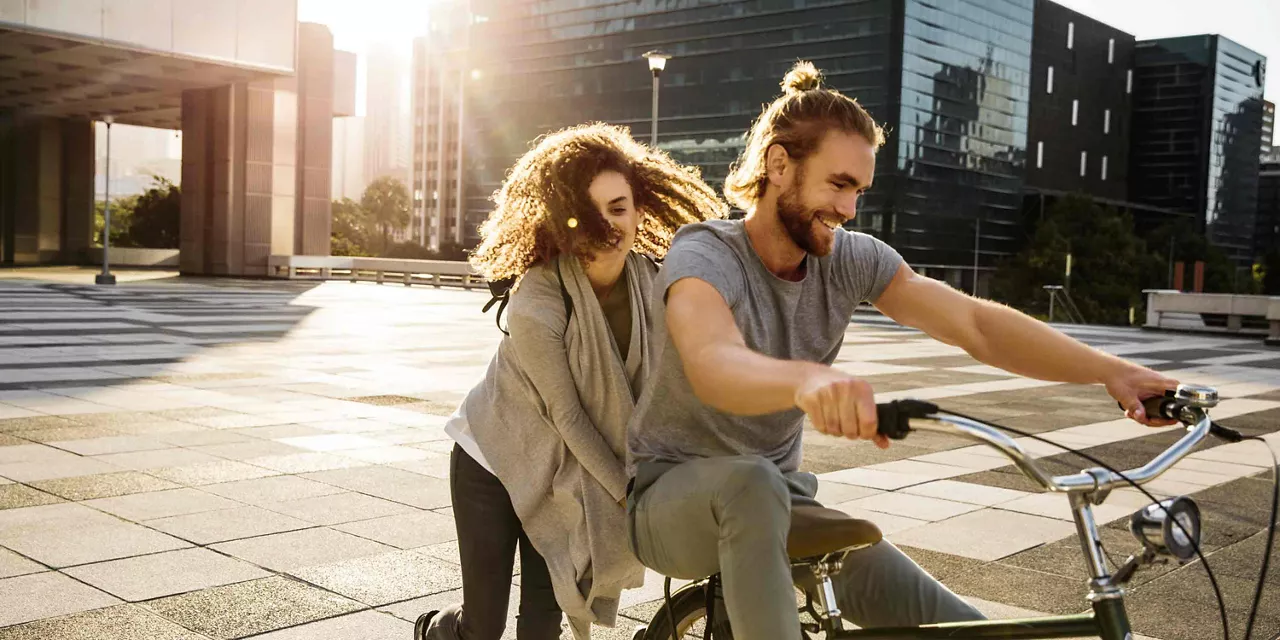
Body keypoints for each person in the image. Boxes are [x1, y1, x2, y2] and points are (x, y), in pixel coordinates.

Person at [624, 61, 1180, 640]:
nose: (849, 209)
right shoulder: (706, 253)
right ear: (779, 164)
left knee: (965, 632)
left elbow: (976, 324)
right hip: (671, 497)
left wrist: (1112, 371)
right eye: (838, 185)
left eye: (859, 191)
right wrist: (804, 381)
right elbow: (712, 361)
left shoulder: (848, 258)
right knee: (751, 485)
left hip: (783, 503)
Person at [416, 123, 728, 640]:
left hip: (563, 472)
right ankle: (436, 628)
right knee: (483, 629)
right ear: (563, 219)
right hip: (491, 461)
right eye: (588, 211)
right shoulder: (538, 297)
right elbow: (568, 414)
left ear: (641, 208)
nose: (606, 225)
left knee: (543, 623)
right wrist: (631, 492)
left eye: (619, 207)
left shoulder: (655, 285)